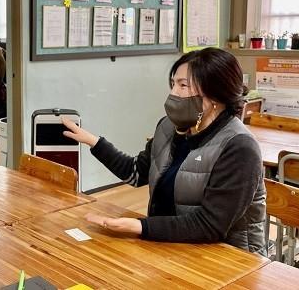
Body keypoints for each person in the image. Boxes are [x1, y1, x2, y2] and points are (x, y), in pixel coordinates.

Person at [62, 47, 266, 255]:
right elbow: (136, 172)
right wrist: (94, 142)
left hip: (232, 258)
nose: (173, 93)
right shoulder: (168, 127)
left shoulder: (240, 148)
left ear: (215, 94)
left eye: (183, 85)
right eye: (173, 84)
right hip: (171, 245)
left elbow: (210, 225)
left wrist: (140, 226)